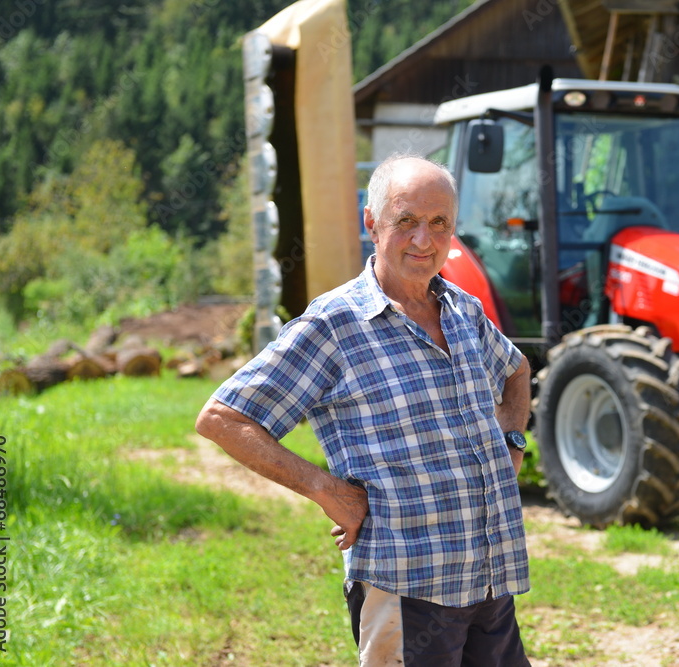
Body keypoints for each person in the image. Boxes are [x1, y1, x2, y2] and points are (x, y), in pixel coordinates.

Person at [195, 154, 533, 666]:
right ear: (371, 223)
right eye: (407, 221)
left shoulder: (463, 310)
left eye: (439, 223)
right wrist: (326, 490)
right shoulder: (335, 325)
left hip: (489, 580)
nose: (424, 239)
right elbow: (223, 418)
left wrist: (512, 442)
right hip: (407, 588)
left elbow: (516, 371)